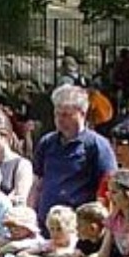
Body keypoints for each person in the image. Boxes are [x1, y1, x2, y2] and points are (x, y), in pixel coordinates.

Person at [31, 85, 115, 222]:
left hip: (78, 225)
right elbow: (37, 183)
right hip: (46, 222)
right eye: (56, 114)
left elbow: (108, 186)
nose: (59, 120)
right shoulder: (47, 142)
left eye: (66, 115)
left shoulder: (96, 145)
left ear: (82, 114)